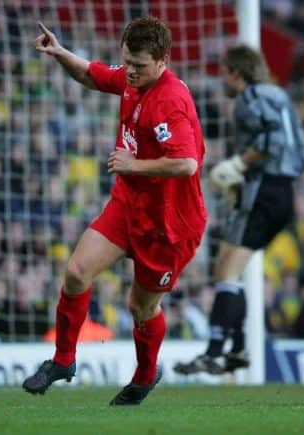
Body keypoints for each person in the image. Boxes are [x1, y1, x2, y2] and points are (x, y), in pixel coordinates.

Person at [22, 17, 207, 405]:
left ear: (163, 61)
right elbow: (94, 75)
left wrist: (133, 165)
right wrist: (59, 53)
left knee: (140, 307)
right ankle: (63, 360)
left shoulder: (169, 101)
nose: (131, 72)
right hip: (129, 205)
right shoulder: (133, 78)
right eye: (128, 62)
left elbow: (187, 163)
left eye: (139, 65)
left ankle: (143, 377)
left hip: (168, 224)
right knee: (76, 272)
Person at [173, 45, 304, 376]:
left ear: (237, 73)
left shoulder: (249, 98)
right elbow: (299, 150)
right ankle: (237, 349)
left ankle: (215, 352)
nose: (222, 79)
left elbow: (270, 140)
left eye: (224, 72)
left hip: (265, 189)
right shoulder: (279, 95)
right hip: (282, 190)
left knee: (228, 272)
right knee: (227, 268)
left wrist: (238, 163)